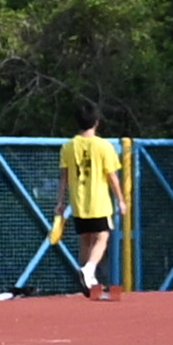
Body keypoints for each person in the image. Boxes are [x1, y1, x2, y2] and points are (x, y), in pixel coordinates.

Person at [50, 101, 127, 300]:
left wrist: (60, 202)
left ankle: (88, 281)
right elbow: (112, 176)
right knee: (102, 237)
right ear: (96, 122)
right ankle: (89, 270)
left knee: (85, 240)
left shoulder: (68, 147)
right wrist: (121, 200)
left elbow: (64, 177)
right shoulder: (104, 146)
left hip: (78, 202)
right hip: (99, 202)